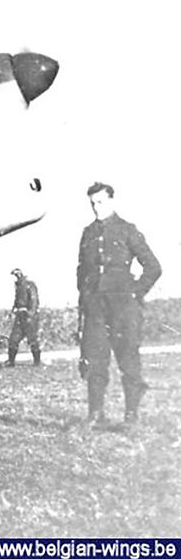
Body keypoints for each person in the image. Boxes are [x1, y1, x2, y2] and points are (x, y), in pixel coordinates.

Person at [77, 182, 161, 428]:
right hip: (95, 308)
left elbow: (153, 267)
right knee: (95, 359)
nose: (96, 208)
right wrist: (85, 299)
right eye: (92, 204)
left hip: (123, 307)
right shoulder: (88, 233)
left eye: (101, 202)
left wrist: (134, 293)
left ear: (112, 201)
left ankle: (131, 415)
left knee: (128, 361)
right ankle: (95, 415)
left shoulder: (127, 230)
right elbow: (81, 270)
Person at [6, 268, 41, 366]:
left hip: (29, 317)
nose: (15, 278)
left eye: (16, 276)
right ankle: (11, 362)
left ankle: (37, 362)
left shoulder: (29, 285)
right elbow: (17, 300)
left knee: (33, 339)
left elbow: (34, 300)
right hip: (19, 316)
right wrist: (14, 309)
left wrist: (30, 313)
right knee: (13, 339)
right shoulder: (18, 287)